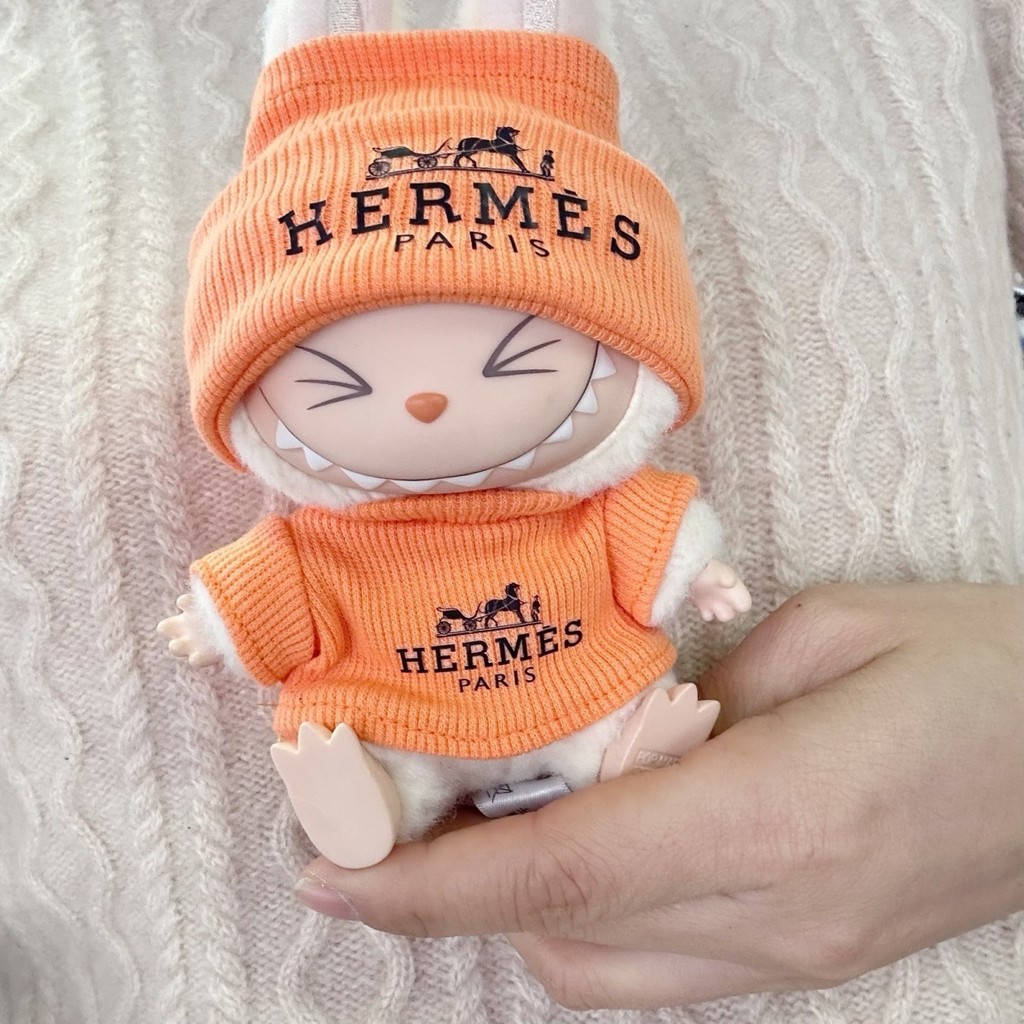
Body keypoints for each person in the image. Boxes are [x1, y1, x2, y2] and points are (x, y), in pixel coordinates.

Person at [1, 0, 1021, 1021]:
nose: (427, 401)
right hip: (363, 757)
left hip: (916, 946)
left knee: (602, 731)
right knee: (383, 762)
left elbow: (644, 530)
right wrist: (217, 620)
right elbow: (280, 578)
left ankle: (624, 757)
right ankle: (372, 795)